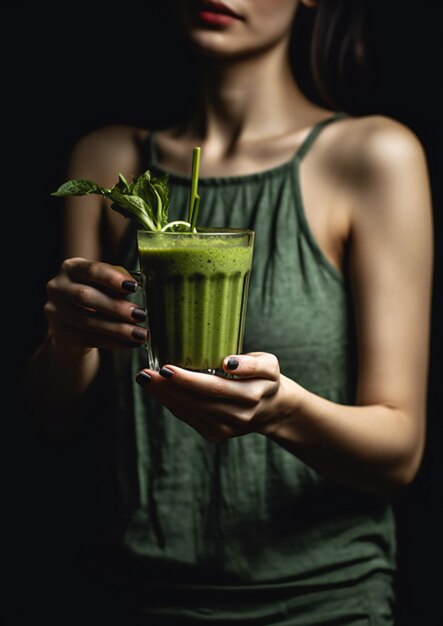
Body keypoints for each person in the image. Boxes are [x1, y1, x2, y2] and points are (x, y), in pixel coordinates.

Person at [25, 0, 433, 623]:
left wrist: (283, 410)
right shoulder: (109, 163)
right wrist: (65, 340)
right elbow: (52, 426)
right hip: (122, 597)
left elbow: (400, 455)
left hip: (320, 603)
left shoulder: (374, 156)